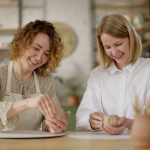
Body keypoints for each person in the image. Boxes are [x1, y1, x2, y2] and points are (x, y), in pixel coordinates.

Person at [76, 14, 150, 135]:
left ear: (132, 38)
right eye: (107, 47)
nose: (114, 52)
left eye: (118, 44)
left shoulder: (148, 70)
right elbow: (81, 120)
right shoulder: (97, 75)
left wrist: (129, 123)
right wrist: (91, 122)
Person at [0, 20, 71, 133]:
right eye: (36, 48)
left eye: (46, 54)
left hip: (34, 144)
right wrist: (28, 103)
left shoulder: (46, 81)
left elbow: (53, 114)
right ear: (22, 43)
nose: (39, 57)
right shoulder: (1, 75)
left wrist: (54, 124)